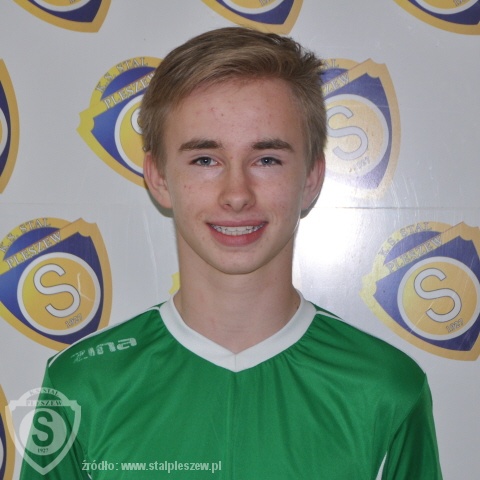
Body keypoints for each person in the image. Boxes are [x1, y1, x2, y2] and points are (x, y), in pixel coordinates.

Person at [20, 27, 442, 479]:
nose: (237, 194)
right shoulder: (81, 387)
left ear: (311, 178)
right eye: (205, 160)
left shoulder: (386, 389)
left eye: (267, 159)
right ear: (158, 177)